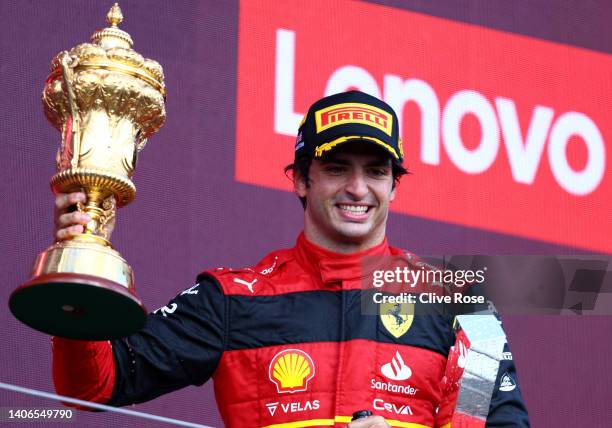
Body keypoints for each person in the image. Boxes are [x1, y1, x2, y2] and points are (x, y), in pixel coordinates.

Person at [52, 91, 530, 427]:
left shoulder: (464, 307)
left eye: (377, 172)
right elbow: (97, 384)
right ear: (301, 180)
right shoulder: (233, 299)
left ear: (394, 186)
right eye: (337, 169)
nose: (358, 189)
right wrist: (79, 267)